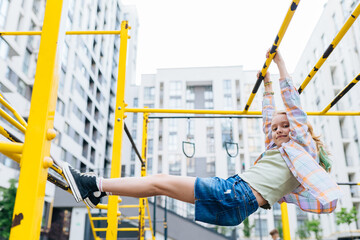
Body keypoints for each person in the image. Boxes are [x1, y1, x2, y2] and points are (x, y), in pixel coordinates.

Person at [62, 50, 341, 226]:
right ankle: (99, 190)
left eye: (286, 127)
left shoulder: (300, 148)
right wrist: (266, 84)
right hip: (237, 203)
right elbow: (268, 118)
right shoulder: (279, 151)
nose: (279, 130)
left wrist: (279, 64)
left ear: (299, 132)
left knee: (160, 180)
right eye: (277, 128)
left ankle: (92, 184)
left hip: (236, 194)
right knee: (160, 185)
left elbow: (293, 107)